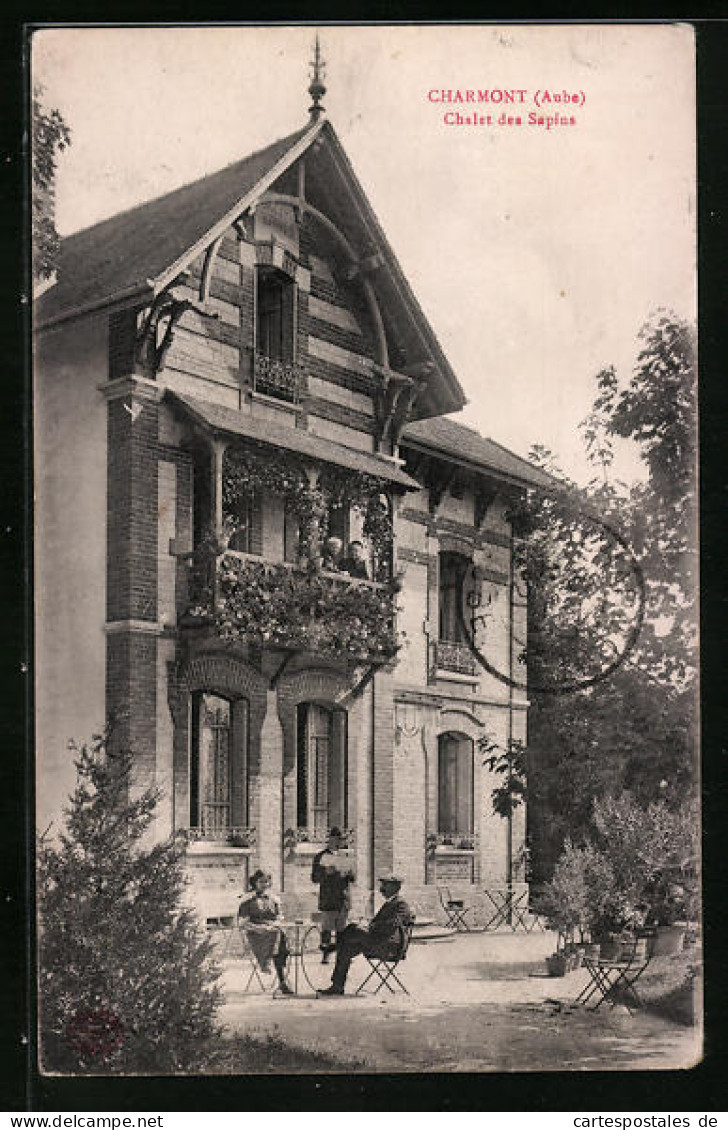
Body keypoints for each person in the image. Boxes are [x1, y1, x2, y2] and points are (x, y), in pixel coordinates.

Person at [317, 873, 413, 996]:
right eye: (382, 884)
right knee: (345, 949)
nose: (382, 888)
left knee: (354, 929)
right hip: (377, 941)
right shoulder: (390, 902)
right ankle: (337, 986)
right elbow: (379, 923)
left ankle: (334, 946)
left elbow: (392, 924)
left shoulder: (401, 904)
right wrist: (369, 925)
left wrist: (370, 927)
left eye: (385, 885)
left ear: (395, 887)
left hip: (389, 946)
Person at [238, 869, 293, 995]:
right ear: (254, 883)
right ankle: (280, 978)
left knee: (280, 935)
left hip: (272, 931)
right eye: (261, 882)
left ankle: (282, 980)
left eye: (266, 882)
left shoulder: (272, 899)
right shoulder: (248, 900)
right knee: (276, 936)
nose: (264, 884)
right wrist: (260, 928)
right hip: (255, 933)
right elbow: (243, 923)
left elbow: (279, 917)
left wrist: (275, 924)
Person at [311, 827, 355, 963]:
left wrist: (348, 873)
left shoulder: (346, 856)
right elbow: (314, 878)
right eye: (335, 839)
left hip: (343, 898)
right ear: (329, 840)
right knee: (327, 928)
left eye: (340, 840)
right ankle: (325, 955)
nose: (338, 842)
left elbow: (353, 878)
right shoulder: (321, 856)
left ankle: (341, 955)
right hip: (329, 897)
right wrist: (326, 873)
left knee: (342, 929)